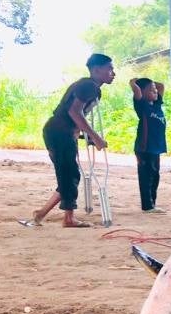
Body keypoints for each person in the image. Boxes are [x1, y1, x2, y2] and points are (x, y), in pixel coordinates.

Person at [30, 53, 114, 227]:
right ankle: (68, 219)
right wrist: (95, 137)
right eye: (109, 69)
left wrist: (84, 135)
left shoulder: (88, 85)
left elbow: (74, 115)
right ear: (97, 70)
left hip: (59, 131)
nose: (113, 73)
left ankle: (41, 214)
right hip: (60, 133)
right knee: (69, 175)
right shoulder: (89, 86)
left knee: (68, 176)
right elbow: (74, 112)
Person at [131, 77, 167, 214]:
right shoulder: (142, 106)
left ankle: (152, 204)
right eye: (151, 90)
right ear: (142, 93)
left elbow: (161, 85)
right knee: (146, 176)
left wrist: (150, 83)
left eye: (154, 89)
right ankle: (147, 206)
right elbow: (137, 92)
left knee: (155, 176)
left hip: (156, 147)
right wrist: (134, 84)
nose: (155, 91)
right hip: (145, 148)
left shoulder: (156, 105)